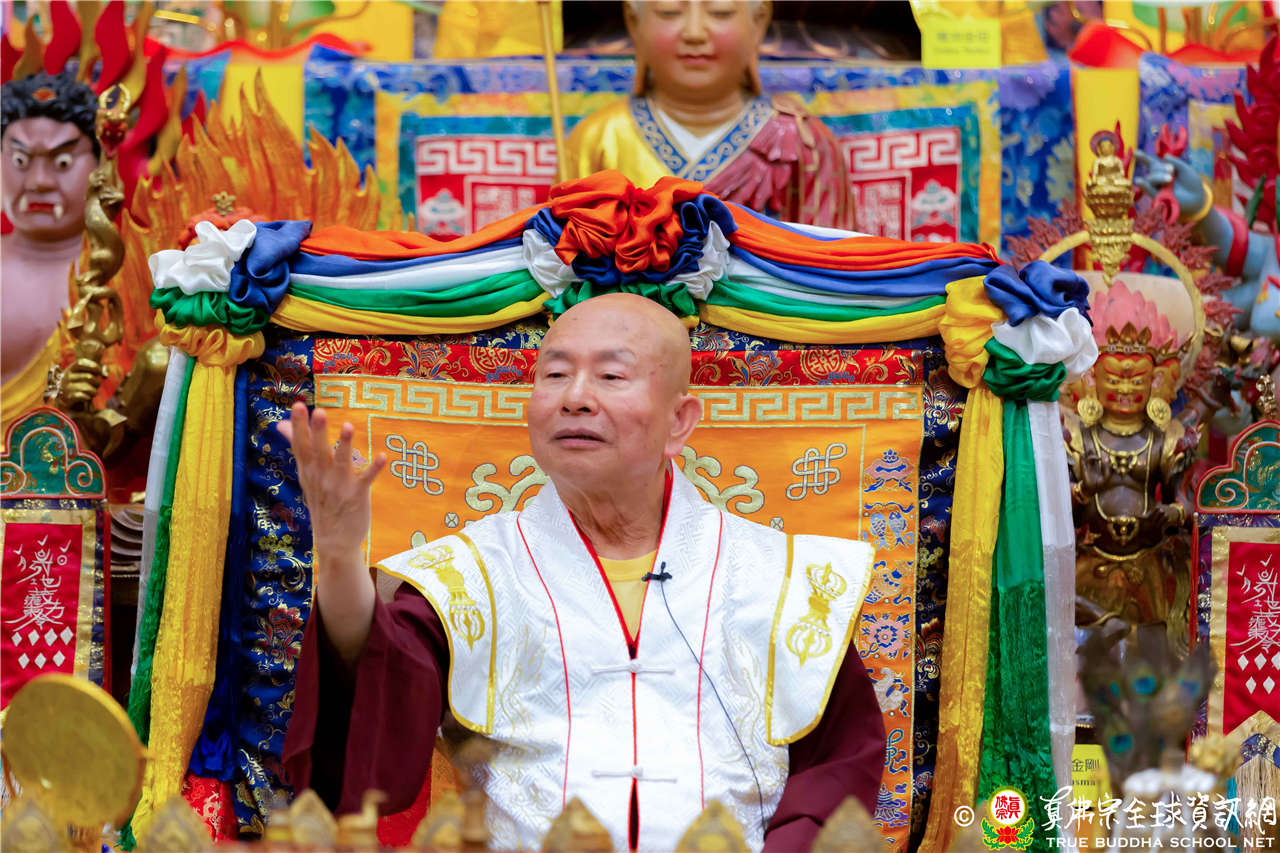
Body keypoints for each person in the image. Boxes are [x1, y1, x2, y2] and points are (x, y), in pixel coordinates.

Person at [281, 293, 885, 852]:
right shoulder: (468, 574)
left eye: (611, 376)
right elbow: (368, 737)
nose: (575, 397)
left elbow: (836, 768)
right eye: (554, 375)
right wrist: (340, 556)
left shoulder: (781, 577)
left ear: (679, 421)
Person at [565, 0, 856, 230]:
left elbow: (830, 263)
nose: (694, 33)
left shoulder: (800, 142)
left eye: (720, 11)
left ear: (758, 21)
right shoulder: (599, 137)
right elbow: (567, 258)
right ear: (633, 21)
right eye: (669, 12)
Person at [1, 69, 99, 427]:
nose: (39, 182)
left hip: (82, 456)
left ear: (101, 166)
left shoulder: (120, 276)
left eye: (62, 163)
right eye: (20, 161)